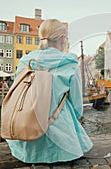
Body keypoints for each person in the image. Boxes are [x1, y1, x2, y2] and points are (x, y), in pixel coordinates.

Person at [6, 19, 93, 163]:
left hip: (26, 138)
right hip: (61, 141)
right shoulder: (70, 63)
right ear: (62, 38)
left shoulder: (24, 62)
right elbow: (77, 106)